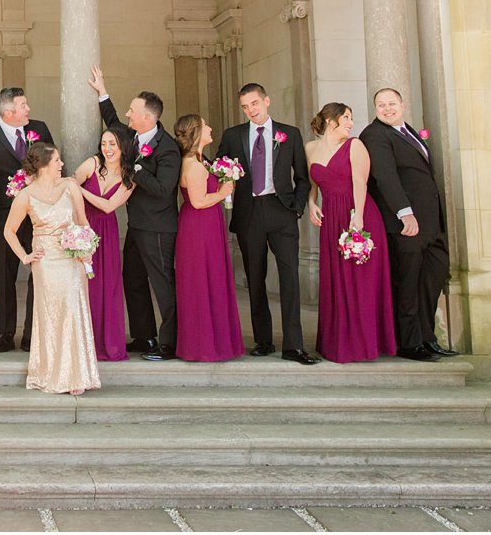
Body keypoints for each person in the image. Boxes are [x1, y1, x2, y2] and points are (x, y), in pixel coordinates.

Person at [217, 82, 318, 365]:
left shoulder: (290, 134)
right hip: (249, 213)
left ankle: (294, 346)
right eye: (245, 107)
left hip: (281, 210)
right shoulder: (233, 135)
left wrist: (296, 209)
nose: (250, 110)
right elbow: (219, 167)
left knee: (290, 280)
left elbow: (302, 177)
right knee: (256, 279)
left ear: (267, 101)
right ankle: (263, 341)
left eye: (254, 104)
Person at [88, 66, 180, 361]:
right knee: (133, 279)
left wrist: (135, 170)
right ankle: (145, 336)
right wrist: (103, 91)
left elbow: (164, 189)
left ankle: (170, 343)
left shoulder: (168, 149)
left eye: (132, 111)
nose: (128, 115)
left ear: (148, 118)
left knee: (162, 284)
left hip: (158, 227)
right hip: (137, 225)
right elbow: (113, 121)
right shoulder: (131, 136)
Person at [360, 88, 456, 361]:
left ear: (402, 104)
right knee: (408, 283)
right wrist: (405, 213)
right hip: (405, 224)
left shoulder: (408, 131)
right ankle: (409, 343)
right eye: (381, 105)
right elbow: (386, 176)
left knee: (432, 278)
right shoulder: (375, 135)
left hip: (430, 222)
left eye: (391, 103)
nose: (387, 108)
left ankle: (427, 337)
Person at [2, 142, 101, 396]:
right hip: (45, 262)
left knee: (72, 310)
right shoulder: (25, 195)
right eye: (57, 161)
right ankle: (52, 374)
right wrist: (25, 256)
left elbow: (82, 221)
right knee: (51, 316)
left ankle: (76, 373)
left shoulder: (70, 187)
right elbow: (8, 231)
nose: (61, 165)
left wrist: (86, 247)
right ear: (44, 166)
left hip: (71, 258)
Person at [307, 103, 396, 363]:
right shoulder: (310, 149)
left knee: (359, 282)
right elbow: (313, 184)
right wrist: (312, 203)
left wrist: (357, 217)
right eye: (346, 117)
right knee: (336, 279)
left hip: (357, 215)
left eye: (351, 118)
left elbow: (360, 181)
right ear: (329, 119)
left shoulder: (355, 145)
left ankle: (363, 343)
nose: (350, 123)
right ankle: (338, 342)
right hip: (330, 218)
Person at [0, 87, 56, 353]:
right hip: (2, 218)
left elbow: (53, 164)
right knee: (4, 275)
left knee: (39, 273)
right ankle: (5, 334)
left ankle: (33, 333)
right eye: (23, 106)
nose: (28, 110)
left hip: (38, 217)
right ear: (8, 112)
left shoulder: (40, 129)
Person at [172, 115, 244, 363]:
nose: (211, 127)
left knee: (212, 279)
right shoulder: (192, 164)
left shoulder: (202, 160)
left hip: (208, 226)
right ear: (196, 132)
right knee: (201, 281)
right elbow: (198, 201)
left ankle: (216, 341)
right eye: (206, 125)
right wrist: (223, 192)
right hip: (198, 229)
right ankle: (202, 346)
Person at [72, 129, 135, 362]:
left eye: (113, 144)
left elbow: (109, 206)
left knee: (107, 287)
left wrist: (79, 190)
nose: (107, 148)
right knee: (83, 285)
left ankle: (107, 344)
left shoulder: (130, 176)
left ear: (123, 147)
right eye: (104, 143)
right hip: (83, 227)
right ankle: (82, 344)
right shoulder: (92, 163)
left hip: (106, 234)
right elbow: (67, 190)